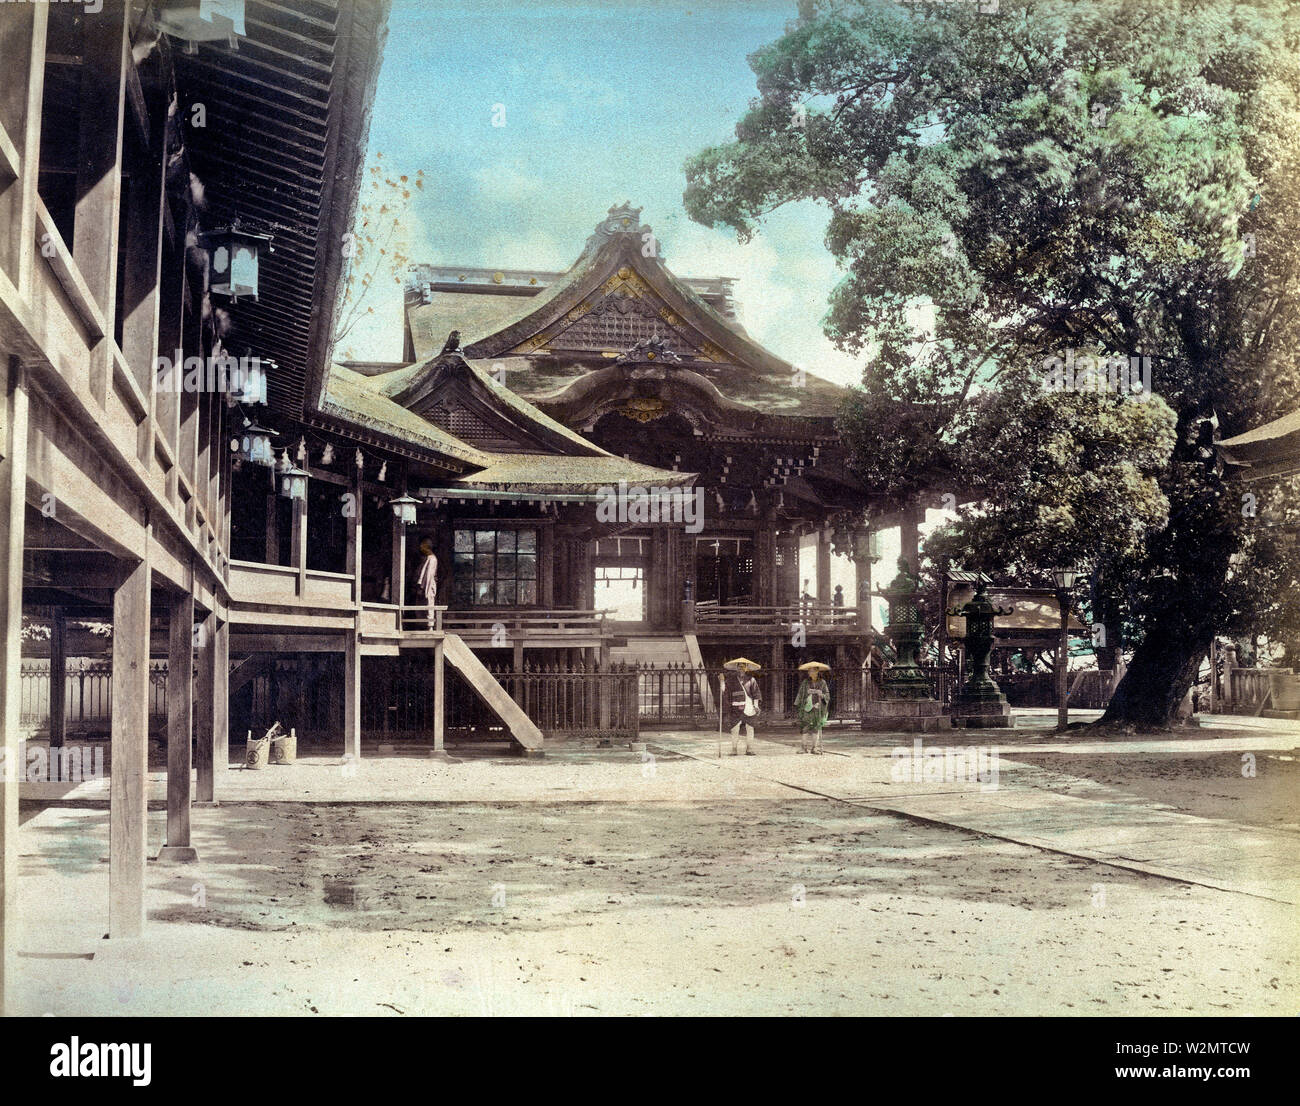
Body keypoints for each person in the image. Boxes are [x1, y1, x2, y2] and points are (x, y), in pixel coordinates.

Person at [725, 667, 762, 755]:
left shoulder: (751, 680)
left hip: (749, 707)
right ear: (736, 669)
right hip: (736, 707)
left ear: (745, 669)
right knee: (734, 728)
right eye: (739, 668)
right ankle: (734, 749)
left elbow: (756, 693)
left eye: (742, 668)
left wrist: (756, 706)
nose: (741, 670)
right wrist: (722, 683)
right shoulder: (731, 681)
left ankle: (749, 749)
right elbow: (726, 692)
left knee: (750, 728)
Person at [794, 668, 831, 753]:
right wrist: (807, 694)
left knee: (816, 727)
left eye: (812, 671)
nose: (809, 672)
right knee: (805, 727)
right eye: (809, 671)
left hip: (818, 707)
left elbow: (827, 695)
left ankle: (814, 748)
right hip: (807, 707)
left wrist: (821, 694)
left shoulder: (822, 682)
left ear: (817, 672)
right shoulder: (805, 682)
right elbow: (801, 693)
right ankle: (804, 748)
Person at [416, 537, 438, 629]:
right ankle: (421, 624)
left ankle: (430, 626)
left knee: (429, 603)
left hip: (428, 585)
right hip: (423, 585)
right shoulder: (427, 558)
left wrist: (423, 587)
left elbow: (428, 575)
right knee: (420, 605)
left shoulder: (432, 559)